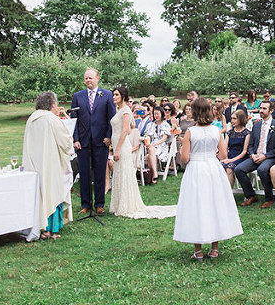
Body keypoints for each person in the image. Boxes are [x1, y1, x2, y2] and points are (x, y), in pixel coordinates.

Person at [173, 97, 243, 261]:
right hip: (213, 168)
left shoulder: (191, 132)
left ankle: (198, 251)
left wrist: (188, 149)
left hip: (196, 169)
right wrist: (211, 156)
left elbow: (184, 158)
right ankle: (214, 248)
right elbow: (224, 155)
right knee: (214, 204)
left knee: (196, 205)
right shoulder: (216, 131)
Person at [108, 86, 176, 219]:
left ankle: (127, 205)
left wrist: (116, 149)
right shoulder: (118, 110)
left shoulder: (126, 111)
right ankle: (118, 204)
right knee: (119, 173)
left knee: (124, 173)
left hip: (122, 146)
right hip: (116, 142)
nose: (114, 97)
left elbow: (125, 131)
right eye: (113, 95)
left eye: (116, 95)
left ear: (123, 96)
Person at [22, 92, 73, 240]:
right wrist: (70, 139)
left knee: (39, 194)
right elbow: (65, 142)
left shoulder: (32, 118)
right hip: (51, 163)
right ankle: (51, 229)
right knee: (52, 191)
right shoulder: (51, 119)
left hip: (34, 163)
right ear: (52, 104)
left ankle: (40, 227)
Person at [71, 68, 116, 215]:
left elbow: (112, 118)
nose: (88, 81)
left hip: (101, 140)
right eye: (86, 79)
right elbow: (74, 120)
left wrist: (109, 136)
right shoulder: (78, 96)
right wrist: (75, 139)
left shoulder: (107, 95)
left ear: (97, 78)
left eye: (90, 78)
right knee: (84, 173)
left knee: (99, 174)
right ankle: (85, 204)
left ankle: (99, 204)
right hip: (83, 142)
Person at [235, 100, 275, 208]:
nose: (261, 110)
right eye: (260, 108)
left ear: (271, 111)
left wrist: (265, 156)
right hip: (256, 156)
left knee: (262, 170)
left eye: (264, 109)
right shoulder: (256, 125)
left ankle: (269, 198)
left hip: (270, 157)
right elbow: (251, 144)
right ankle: (251, 195)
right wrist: (252, 154)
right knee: (239, 169)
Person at [220, 109, 251, 186]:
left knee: (229, 168)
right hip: (230, 155)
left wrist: (231, 160)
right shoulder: (229, 132)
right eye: (231, 118)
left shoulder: (247, 133)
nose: (232, 121)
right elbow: (225, 147)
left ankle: (228, 194)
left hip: (241, 157)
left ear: (240, 119)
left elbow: (244, 151)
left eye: (234, 118)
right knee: (219, 167)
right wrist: (226, 158)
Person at [145, 106, 172, 184]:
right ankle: (154, 173)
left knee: (149, 154)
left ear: (161, 114)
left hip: (161, 145)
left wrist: (153, 144)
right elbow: (148, 136)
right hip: (152, 145)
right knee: (148, 155)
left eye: (157, 114)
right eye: (154, 114)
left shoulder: (165, 124)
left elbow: (164, 138)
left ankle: (154, 174)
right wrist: (148, 142)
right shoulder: (151, 125)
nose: (156, 116)